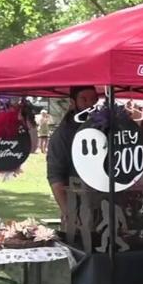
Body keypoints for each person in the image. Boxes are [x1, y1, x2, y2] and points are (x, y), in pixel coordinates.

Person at [47, 86, 99, 219]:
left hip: (104, 204)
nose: (90, 104)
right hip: (77, 205)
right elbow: (55, 175)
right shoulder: (63, 134)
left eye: (94, 99)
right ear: (73, 102)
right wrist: (68, 212)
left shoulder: (104, 128)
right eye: (84, 99)